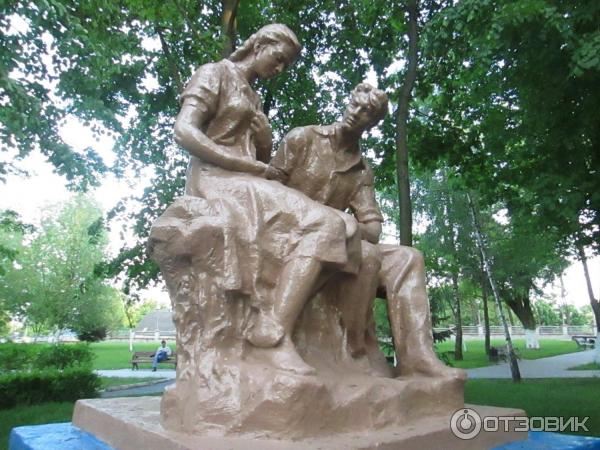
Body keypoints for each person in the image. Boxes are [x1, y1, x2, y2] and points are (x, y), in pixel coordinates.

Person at [173, 24, 361, 375]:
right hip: (215, 180)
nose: (279, 68)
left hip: (246, 180)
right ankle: (272, 336)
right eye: (278, 58)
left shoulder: (254, 97)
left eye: (286, 64)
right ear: (259, 45)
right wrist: (241, 163)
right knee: (327, 223)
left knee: (346, 227)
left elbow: (258, 157)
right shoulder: (213, 73)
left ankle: (274, 321)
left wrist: (264, 142)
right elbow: (184, 131)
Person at [271, 83, 465, 379]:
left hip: (337, 241)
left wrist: (344, 225)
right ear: (347, 103)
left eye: (365, 113)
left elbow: (372, 228)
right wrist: (331, 219)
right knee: (366, 253)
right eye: (355, 105)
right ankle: (353, 350)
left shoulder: (361, 171)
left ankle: (418, 358)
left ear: (372, 123)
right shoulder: (302, 138)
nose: (356, 113)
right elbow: (269, 187)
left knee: (408, 258)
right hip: (290, 235)